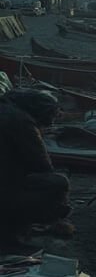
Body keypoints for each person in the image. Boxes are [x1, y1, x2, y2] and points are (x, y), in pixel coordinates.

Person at [0, 88, 74, 249]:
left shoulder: (7, 109)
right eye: (51, 117)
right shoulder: (21, 121)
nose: (51, 124)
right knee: (58, 183)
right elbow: (42, 165)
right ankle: (13, 235)